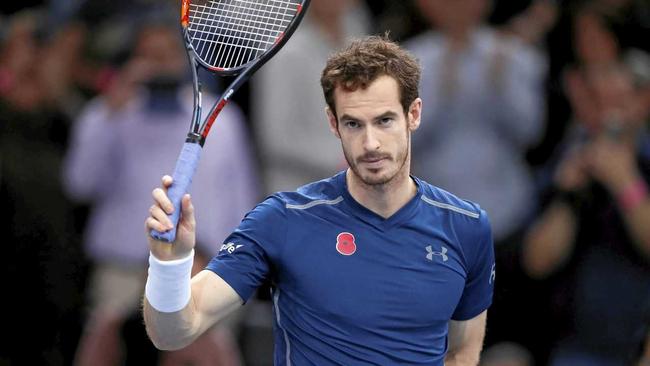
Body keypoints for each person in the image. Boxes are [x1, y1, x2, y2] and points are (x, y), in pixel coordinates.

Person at [143, 36, 495, 365]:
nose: (370, 143)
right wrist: (168, 261)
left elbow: (464, 350)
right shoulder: (281, 220)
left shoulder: (467, 227)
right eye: (353, 124)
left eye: (384, 121)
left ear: (413, 114)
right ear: (333, 123)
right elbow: (172, 333)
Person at [64, 21, 256, 366]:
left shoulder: (222, 119)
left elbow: (243, 203)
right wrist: (111, 111)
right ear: (133, 61)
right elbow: (79, 184)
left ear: (186, 59)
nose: (160, 65)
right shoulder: (107, 112)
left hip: (203, 272)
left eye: (167, 56)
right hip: (119, 276)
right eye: (149, 56)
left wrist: (228, 267)